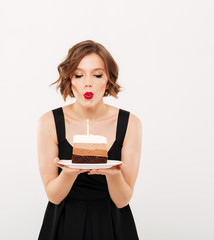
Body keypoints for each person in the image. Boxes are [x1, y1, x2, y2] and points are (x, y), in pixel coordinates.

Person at [37, 40, 142, 240]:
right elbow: (54, 196)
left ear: (109, 79)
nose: (88, 83)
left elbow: (122, 200)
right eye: (78, 75)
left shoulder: (130, 123)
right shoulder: (49, 122)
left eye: (97, 75)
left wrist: (113, 174)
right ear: (69, 79)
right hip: (64, 221)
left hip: (112, 223)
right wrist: (68, 173)